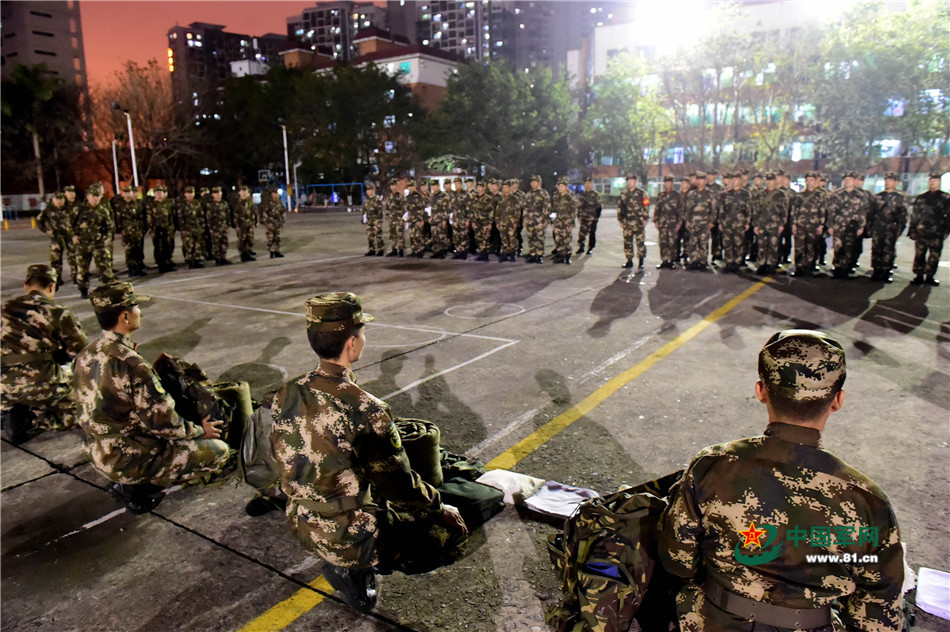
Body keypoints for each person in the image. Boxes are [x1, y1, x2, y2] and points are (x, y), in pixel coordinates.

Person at [659, 329, 904, 631]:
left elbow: (677, 561)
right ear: (838, 400)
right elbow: (879, 614)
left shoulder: (713, 465)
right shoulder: (867, 500)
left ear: (761, 391)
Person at [271, 292, 468, 613]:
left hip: (299, 520)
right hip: (344, 536)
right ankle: (351, 568)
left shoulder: (287, 391)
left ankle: (344, 558)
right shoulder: (365, 408)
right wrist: (440, 508)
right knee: (443, 536)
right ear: (351, 343)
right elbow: (401, 488)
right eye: (362, 332)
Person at [72, 282, 232, 513]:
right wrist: (201, 431)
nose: (140, 312)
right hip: (126, 459)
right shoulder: (132, 364)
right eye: (136, 307)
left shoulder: (86, 354)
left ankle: (131, 478)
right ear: (125, 317)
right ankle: (140, 487)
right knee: (218, 451)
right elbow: (166, 426)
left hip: (95, 450)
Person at [1, 265, 87, 444]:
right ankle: (35, 420)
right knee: (85, 409)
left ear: (26, 285)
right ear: (52, 286)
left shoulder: (4, 308)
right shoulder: (57, 312)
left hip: (4, 386)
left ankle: (9, 414)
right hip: (42, 384)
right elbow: (80, 352)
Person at [71, 182, 117, 298]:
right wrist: (73, 236)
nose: (95, 198)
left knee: (105, 267)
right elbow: (69, 224)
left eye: (97, 196)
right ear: (88, 196)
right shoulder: (79, 209)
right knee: (82, 269)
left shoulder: (103, 209)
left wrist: (107, 238)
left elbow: (109, 226)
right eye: (93, 196)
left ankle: (109, 289)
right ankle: (83, 290)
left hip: (99, 244)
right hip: (83, 244)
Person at [908, 171, 949, 286]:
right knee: (920, 254)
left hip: (937, 232)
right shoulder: (921, 198)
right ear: (928, 182)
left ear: (939, 182)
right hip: (922, 232)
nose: (933, 183)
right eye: (931, 181)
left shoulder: (945, 198)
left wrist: (946, 231)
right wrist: (912, 230)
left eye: (936, 181)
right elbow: (914, 215)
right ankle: (919, 275)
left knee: (934, 255)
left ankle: (930, 276)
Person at [827, 172, 868, 279]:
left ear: (855, 181)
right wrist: (830, 225)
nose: (847, 182)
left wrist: (861, 226)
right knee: (838, 247)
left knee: (849, 248)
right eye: (845, 179)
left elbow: (862, 212)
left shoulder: (861, 195)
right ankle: (837, 268)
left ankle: (846, 268)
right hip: (839, 226)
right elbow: (831, 211)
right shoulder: (836, 194)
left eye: (850, 179)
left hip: (852, 226)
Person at [869, 172, 908, 283]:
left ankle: (886, 272)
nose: (888, 182)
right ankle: (876, 271)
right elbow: (870, 213)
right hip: (877, 228)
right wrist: (870, 227)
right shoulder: (877, 197)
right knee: (876, 249)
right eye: (886, 180)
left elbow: (903, 216)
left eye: (891, 180)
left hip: (891, 228)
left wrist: (900, 229)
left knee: (888, 250)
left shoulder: (900, 198)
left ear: (896, 183)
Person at [754, 172, 790, 276]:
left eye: (771, 180)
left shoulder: (781, 194)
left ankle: (771, 265)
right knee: (761, 245)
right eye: (768, 180)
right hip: (762, 224)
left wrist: (782, 224)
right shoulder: (760, 194)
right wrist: (755, 224)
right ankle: (762, 264)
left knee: (773, 245)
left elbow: (784, 211)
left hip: (775, 224)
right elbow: (756, 210)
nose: (769, 182)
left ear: (775, 181)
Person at [717, 172, 752, 274]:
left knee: (739, 244)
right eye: (733, 179)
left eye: (736, 179)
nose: (734, 181)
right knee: (727, 244)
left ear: (740, 181)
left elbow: (749, 210)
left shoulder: (746, 194)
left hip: (740, 224)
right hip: (727, 223)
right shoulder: (725, 194)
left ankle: (737, 263)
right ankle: (728, 263)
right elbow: (721, 210)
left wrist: (747, 222)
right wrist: (720, 222)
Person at [35, 191, 72, 287]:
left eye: (61, 199)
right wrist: (46, 230)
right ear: (53, 200)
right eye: (57, 199)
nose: (59, 201)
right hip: (56, 238)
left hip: (69, 237)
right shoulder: (48, 210)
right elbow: (39, 220)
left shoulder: (69, 209)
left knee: (73, 257)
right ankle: (57, 278)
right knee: (56, 260)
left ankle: (76, 276)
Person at [684, 171, 716, 271]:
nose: (700, 181)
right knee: (693, 242)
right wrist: (687, 220)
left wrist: (712, 222)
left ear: (705, 181)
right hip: (693, 222)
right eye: (698, 179)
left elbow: (714, 209)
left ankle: (702, 262)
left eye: (702, 179)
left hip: (705, 222)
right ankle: (693, 261)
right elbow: (687, 208)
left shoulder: (709, 194)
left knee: (703, 242)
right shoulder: (691, 194)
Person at [112, 185, 147, 277]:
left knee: (137, 250)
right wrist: (120, 231)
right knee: (129, 251)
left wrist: (142, 229)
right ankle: (131, 269)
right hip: (126, 232)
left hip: (137, 230)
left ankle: (138, 268)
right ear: (122, 194)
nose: (128, 194)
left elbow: (140, 218)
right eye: (126, 192)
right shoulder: (119, 205)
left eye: (129, 192)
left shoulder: (135, 204)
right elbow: (117, 219)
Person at [617, 174, 650, 270]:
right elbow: (620, 208)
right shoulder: (623, 194)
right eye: (628, 180)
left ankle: (641, 261)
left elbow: (646, 205)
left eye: (631, 180)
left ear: (635, 181)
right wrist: (620, 220)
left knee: (640, 242)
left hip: (638, 222)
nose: (630, 182)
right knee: (627, 242)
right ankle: (629, 260)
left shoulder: (642, 193)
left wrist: (645, 218)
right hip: (627, 222)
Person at [146, 185, 177, 273]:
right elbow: (149, 219)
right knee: (159, 247)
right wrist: (151, 230)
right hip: (157, 230)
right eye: (157, 193)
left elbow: (172, 216)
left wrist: (173, 228)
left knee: (169, 246)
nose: (159, 195)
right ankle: (161, 264)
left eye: (161, 193)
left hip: (168, 229)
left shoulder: (169, 204)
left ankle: (168, 261)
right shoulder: (151, 205)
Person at [522, 175, 551, 264]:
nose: (533, 183)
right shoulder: (529, 193)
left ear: (539, 183)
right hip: (530, 220)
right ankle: (532, 254)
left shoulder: (543, 193)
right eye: (532, 182)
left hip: (539, 220)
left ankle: (539, 255)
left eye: (535, 181)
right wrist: (525, 219)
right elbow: (525, 207)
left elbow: (547, 207)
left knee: (539, 237)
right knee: (530, 237)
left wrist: (545, 220)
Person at [178, 186, 208, 269]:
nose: (190, 195)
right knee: (189, 245)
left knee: (197, 245)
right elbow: (180, 218)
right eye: (188, 193)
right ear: (185, 194)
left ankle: (197, 260)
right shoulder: (182, 205)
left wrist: (202, 227)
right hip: (187, 229)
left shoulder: (197, 203)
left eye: (191, 193)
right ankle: (190, 261)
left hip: (197, 228)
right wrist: (183, 229)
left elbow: (201, 216)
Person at [551, 177, 578, 264]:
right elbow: (553, 210)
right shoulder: (555, 197)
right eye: (559, 186)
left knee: (567, 240)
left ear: (566, 187)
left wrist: (571, 223)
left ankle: (567, 257)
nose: (560, 188)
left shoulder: (570, 198)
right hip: (558, 222)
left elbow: (574, 211)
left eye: (562, 186)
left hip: (567, 223)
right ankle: (561, 256)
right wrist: (552, 222)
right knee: (558, 240)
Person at [205, 186, 233, 266]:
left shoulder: (224, 203)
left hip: (223, 227)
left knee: (224, 243)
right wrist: (210, 228)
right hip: (215, 228)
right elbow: (209, 218)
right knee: (216, 244)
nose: (218, 195)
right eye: (216, 193)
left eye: (219, 193)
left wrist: (228, 225)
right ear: (213, 195)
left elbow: (228, 215)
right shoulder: (210, 205)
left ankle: (223, 257)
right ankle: (217, 258)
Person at [576, 177, 602, 256]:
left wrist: (596, 217)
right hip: (584, 217)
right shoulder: (582, 195)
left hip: (592, 217)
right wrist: (579, 216)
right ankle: (581, 247)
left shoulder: (595, 194)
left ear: (592, 184)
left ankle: (590, 248)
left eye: (589, 183)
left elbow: (599, 206)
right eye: (586, 183)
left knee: (592, 233)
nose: (587, 185)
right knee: (582, 233)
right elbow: (579, 206)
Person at [258, 187, 286, 258]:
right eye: (274, 193)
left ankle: (277, 251)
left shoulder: (280, 202)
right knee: (271, 238)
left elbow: (283, 211)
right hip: (270, 222)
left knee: (277, 238)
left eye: (276, 193)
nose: (275, 195)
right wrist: (266, 222)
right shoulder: (268, 203)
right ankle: (271, 252)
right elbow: (265, 213)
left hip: (277, 222)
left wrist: (282, 221)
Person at [233, 185, 257, 262]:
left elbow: (254, 212)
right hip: (241, 225)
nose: (243, 193)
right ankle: (243, 255)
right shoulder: (237, 203)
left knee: (250, 238)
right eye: (242, 191)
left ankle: (248, 252)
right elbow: (235, 215)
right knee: (242, 240)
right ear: (239, 193)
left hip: (249, 223)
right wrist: (236, 225)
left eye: (245, 192)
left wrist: (255, 222)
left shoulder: (250, 201)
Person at [362, 183, 385, 256]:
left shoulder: (377, 200)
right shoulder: (366, 201)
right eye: (367, 190)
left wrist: (379, 221)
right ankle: (371, 250)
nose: (368, 192)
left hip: (376, 221)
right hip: (369, 221)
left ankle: (381, 250)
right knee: (370, 236)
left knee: (378, 235)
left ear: (373, 190)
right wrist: (364, 221)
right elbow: (364, 211)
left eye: (370, 190)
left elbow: (380, 212)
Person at [385, 177, 406, 257]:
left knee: (400, 235)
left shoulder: (400, 197)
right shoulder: (389, 197)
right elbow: (386, 208)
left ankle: (401, 250)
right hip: (391, 220)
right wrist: (387, 217)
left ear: (397, 186)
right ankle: (394, 249)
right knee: (392, 235)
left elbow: (404, 209)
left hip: (398, 220)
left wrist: (402, 219)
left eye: (394, 185)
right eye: (391, 185)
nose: (392, 187)